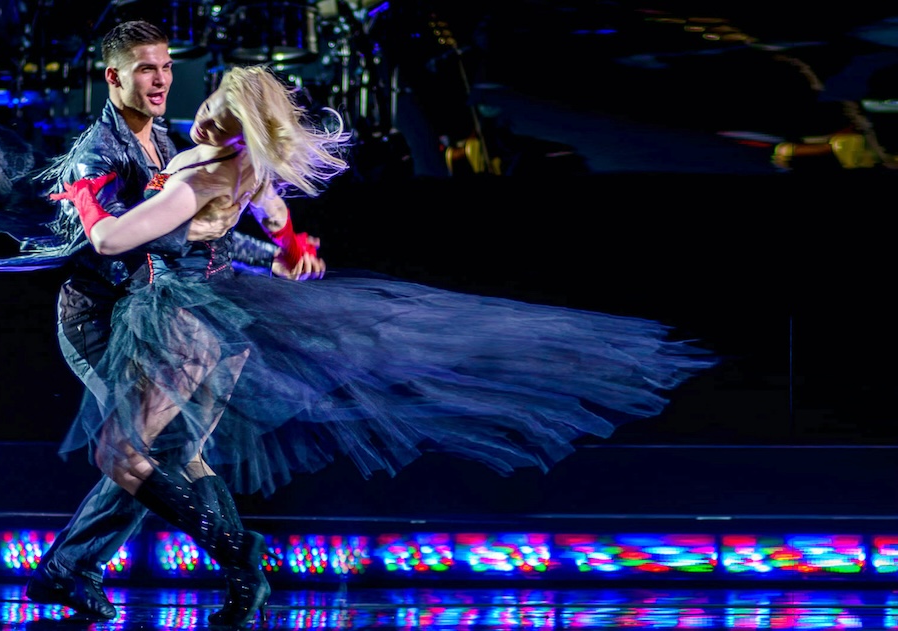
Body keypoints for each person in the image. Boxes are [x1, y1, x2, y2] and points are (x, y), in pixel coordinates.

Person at [46, 62, 718, 628]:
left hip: (179, 321)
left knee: (121, 452)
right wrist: (293, 253)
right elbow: (282, 232)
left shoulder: (200, 179)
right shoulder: (248, 171)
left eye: (207, 104)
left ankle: (235, 551)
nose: (192, 109)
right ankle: (217, 574)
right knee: (180, 455)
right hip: (221, 323)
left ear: (223, 118)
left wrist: (83, 194)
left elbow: (110, 241)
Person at [23, 20, 326, 622]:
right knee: (152, 450)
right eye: (146, 68)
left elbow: (194, 235)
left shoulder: (175, 140)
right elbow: (123, 241)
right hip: (103, 317)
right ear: (115, 76)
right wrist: (278, 248)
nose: (162, 80)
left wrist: (279, 251)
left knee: (168, 452)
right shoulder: (99, 152)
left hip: (169, 314)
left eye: (166, 67)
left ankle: (234, 571)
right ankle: (84, 567)